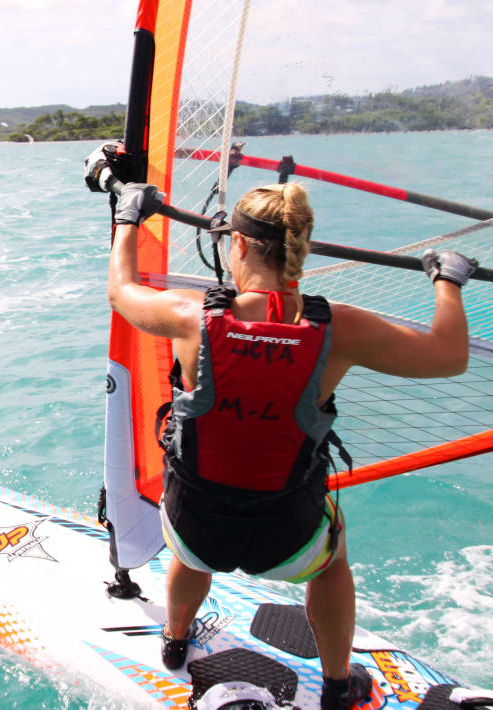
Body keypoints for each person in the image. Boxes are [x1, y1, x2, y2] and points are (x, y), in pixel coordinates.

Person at [106, 180, 476, 710]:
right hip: (288, 539)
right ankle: (336, 684)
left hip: (199, 531)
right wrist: (448, 280)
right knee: (333, 556)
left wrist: (127, 219)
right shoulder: (341, 328)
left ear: (236, 244)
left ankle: (176, 639)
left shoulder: (188, 316)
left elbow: (121, 290)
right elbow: (449, 355)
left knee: (187, 519)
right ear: (301, 245)